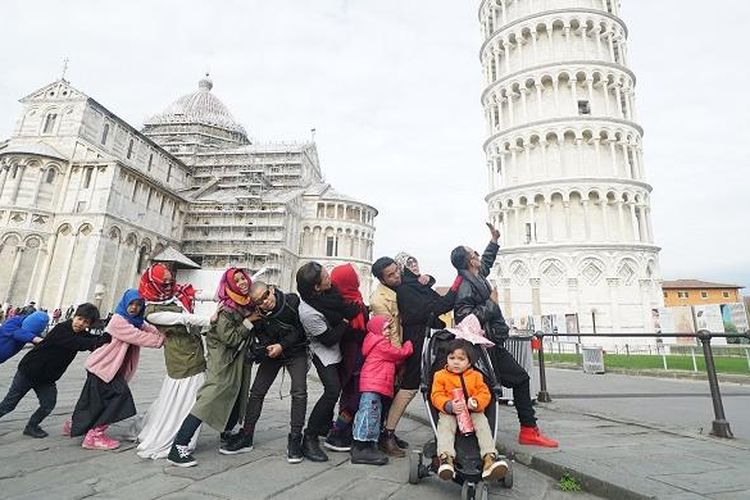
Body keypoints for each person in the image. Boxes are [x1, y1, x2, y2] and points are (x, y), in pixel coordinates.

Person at [451, 223, 558, 448]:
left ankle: (520, 430)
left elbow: (486, 265)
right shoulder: (466, 286)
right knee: (515, 380)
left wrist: (494, 241)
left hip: (490, 343)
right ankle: (523, 430)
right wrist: (491, 305)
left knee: (502, 384)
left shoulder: (475, 277)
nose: (478, 256)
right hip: (484, 348)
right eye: (475, 254)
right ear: (470, 261)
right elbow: (463, 315)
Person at [375, 252, 463, 457]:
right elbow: (438, 305)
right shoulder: (407, 289)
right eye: (408, 263)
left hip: (425, 339)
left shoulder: (417, 285)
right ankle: (387, 434)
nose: (413, 265)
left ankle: (443, 432)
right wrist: (458, 281)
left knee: (433, 385)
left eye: (415, 260)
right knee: (410, 387)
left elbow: (437, 304)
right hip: (416, 342)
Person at [167, 268, 257, 467]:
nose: (242, 282)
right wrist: (249, 322)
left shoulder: (245, 303)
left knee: (236, 393)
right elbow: (231, 338)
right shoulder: (228, 308)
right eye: (237, 280)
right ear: (230, 285)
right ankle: (179, 445)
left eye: (244, 278)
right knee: (209, 397)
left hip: (237, 359)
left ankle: (227, 434)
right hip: (223, 360)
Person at [222, 280, 309, 463]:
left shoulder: (292, 302)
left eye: (265, 296)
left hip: (296, 352)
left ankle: (295, 438)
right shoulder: (258, 315)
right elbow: (261, 337)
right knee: (256, 392)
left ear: (271, 290)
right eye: (259, 301)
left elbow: (301, 332)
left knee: (299, 392)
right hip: (274, 354)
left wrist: (282, 345)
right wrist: (264, 349)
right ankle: (247, 435)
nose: (265, 302)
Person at [69, 289, 164, 449]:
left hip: (107, 369)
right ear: (124, 303)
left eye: (138, 305)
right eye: (131, 304)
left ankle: (74, 425)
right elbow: (139, 337)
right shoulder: (119, 321)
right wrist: (162, 340)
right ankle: (95, 435)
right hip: (102, 367)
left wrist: (166, 332)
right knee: (120, 397)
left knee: (94, 401)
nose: (134, 308)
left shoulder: (135, 321)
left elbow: (150, 329)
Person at [136, 264, 211, 460]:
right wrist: (213, 320)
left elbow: (199, 293)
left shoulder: (176, 294)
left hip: (194, 353)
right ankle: (176, 439)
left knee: (182, 399)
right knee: (187, 400)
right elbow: (182, 319)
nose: (170, 284)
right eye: (165, 282)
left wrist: (227, 293)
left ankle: (181, 435)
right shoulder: (152, 311)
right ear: (154, 284)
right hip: (181, 359)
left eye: (171, 280)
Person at [0, 304, 107, 438]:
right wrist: (98, 340)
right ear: (74, 317)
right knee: (9, 404)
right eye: (79, 319)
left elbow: (88, 340)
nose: (81, 323)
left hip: (47, 378)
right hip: (28, 372)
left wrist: (105, 338)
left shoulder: (81, 334)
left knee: (48, 404)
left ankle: (32, 426)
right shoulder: (61, 329)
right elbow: (78, 343)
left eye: (86, 322)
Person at [297, 261, 360, 462]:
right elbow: (329, 338)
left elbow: (343, 307)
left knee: (336, 388)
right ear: (316, 287)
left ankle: (324, 425)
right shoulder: (308, 312)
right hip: (321, 351)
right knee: (332, 390)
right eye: (325, 278)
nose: (330, 279)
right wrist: (343, 322)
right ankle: (309, 437)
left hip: (334, 347)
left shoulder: (329, 294)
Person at [431, 339, 509, 481]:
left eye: (461, 359)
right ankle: (446, 458)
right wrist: (448, 405)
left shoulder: (476, 376)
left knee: (483, 424)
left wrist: (476, 402)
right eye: (452, 358)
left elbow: (485, 393)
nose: (455, 362)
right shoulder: (440, 376)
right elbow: (436, 395)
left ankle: (489, 458)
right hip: (450, 412)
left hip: (473, 412)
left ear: (469, 362)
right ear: (447, 359)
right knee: (445, 426)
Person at [351, 315, 412, 465]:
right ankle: (362, 447)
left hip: (373, 385)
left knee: (372, 413)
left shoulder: (377, 342)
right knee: (369, 414)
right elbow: (398, 354)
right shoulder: (380, 343)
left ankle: (367, 444)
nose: (389, 331)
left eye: (390, 328)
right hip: (372, 385)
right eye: (385, 328)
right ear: (377, 330)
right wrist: (409, 345)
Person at [324, 263, 369, 452]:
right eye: (353, 277)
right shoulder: (340, 304)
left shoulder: (356, 299)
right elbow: (348, 333)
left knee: (351, 394)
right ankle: (337, 432)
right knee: (355, 396)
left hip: (358, 354)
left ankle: (344, 432)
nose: (357, 280)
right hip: (351, 356)